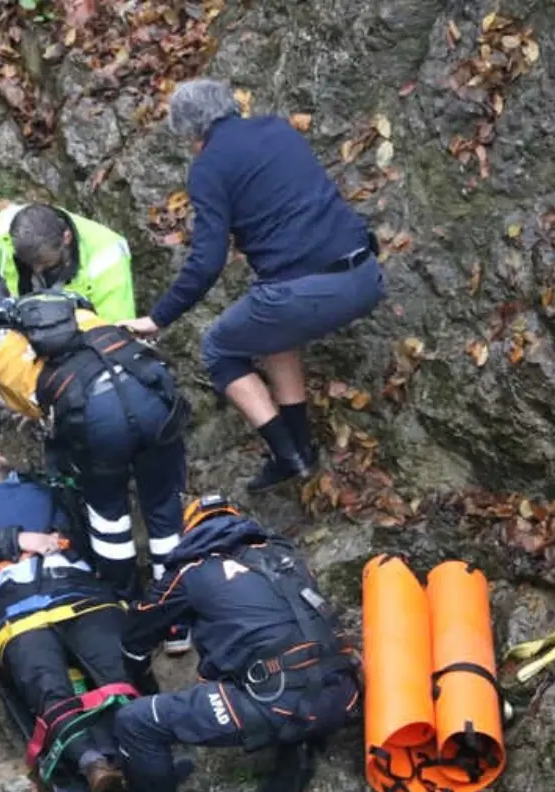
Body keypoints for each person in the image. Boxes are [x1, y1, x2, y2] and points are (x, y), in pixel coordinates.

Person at [121, 78, 386, 493]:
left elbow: (206, 261)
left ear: (191, 133)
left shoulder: (208, 168)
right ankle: (300, 446)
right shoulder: (278, 129)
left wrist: (159, 317)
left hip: (307, 292)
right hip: (366, 272)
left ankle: (287, 456)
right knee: (273, 331)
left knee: (219, 349)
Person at [0, 274, 190, 623]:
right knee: (164, 509)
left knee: (109, 518)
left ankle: (130, 605)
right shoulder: (62, 304)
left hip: (99, 418)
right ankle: (178, 618)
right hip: (154, 393)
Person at [114, 494, 361, 792]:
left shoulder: (191, 571)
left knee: (134, 722)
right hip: (344, 692)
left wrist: (141, 679)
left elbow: (136, 637)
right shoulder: (286, 555)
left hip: (279, 700)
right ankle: (297, 754)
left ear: (191, 530)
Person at [0, 449, 135, 792]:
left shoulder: (49, 487)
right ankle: (92, 764)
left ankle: (132, 755)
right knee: (45, 684)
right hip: (15, 609)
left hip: (81, 592)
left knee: (115, 670)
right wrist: (17, 540)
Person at [0, 203, 137, 487]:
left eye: (45, 265)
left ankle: (75, 481)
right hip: (3, 343)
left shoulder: (107, 255)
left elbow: (114, 339)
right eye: (28, 264)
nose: (36, 271)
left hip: (73, 363)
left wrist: (48, 396)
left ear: (66, 240)